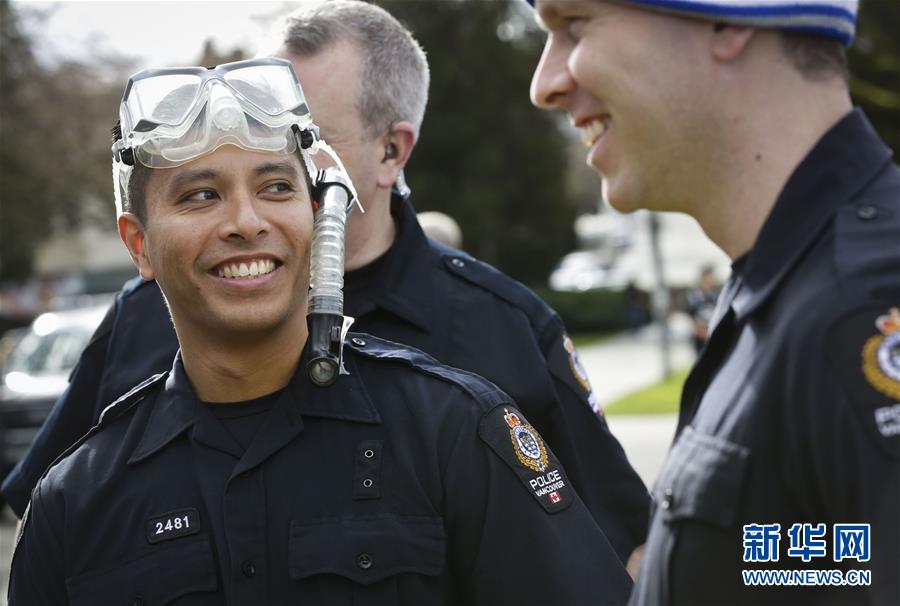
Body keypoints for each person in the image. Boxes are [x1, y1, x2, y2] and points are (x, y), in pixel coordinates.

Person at [1, 0, 650, 569]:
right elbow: (52, 528)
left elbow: (626, 550)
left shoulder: (499, 334)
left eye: (298, 145)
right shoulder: (150, 310)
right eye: (205, 189)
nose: (245, 214)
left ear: (392, 152)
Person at [529, 0, 899, 603]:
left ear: (729, 19)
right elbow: (835, 556)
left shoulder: (865, 305)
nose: (546, 84)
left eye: (574, 25)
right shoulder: (788, 287)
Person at [682, 266, 720, 354]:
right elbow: (692, 319)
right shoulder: (694, 297)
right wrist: (703, 333)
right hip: (700, 337)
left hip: (714, 334)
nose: (712, 280)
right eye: (709, 277)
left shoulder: (716, 296)